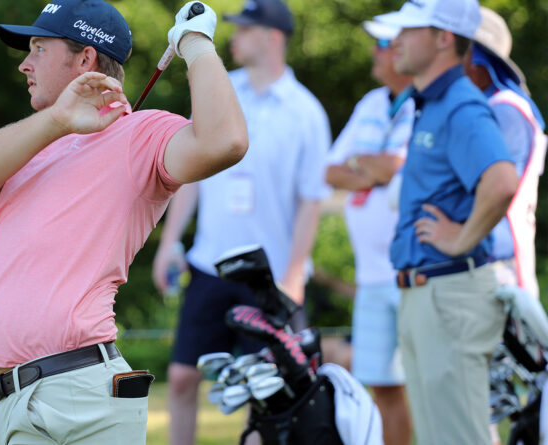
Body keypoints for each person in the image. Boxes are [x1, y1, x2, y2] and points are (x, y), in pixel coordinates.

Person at [0, 0, 249, 443]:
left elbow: (226, 141)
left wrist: (195, 43)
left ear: (84, 58)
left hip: (83, 393)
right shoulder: (34, 142)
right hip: (11, 400)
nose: (25, 65)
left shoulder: (138, 134)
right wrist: (57, 121)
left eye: (38, 49)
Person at [151, 0, 331, 443]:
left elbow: (312, 202)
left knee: (269, 391)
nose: (234, 37)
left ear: (272, 37)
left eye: (245, 29)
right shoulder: (220, 91)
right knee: (180, 378)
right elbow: (189, 174)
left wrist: (293, 275)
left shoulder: (306, 111)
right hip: (210, 264)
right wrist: (168, 244)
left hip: (270, 279)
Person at [374, 0, 520, 443]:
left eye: (408, 30)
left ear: (443, 38)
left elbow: (501, 180)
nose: (394, 41)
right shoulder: (433, 103)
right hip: (429, 294)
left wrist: (461, 239)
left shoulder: (459, 104)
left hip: (448, 293)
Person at [324, 19, 414, 445]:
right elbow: (330, 171)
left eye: (383, 42)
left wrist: (364, 166)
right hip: (372, 275)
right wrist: (372, 168)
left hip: (414, 273)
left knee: (430, 385)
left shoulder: (427, 100)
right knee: (382, 385)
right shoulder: (371, 102)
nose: (376, 51)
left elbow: (398, 168)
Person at [464, 7, 546, 297]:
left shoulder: (505, 109)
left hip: (499, 265)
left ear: (477, 62)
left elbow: (486, 186)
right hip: (486, 258)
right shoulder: (494, 106)